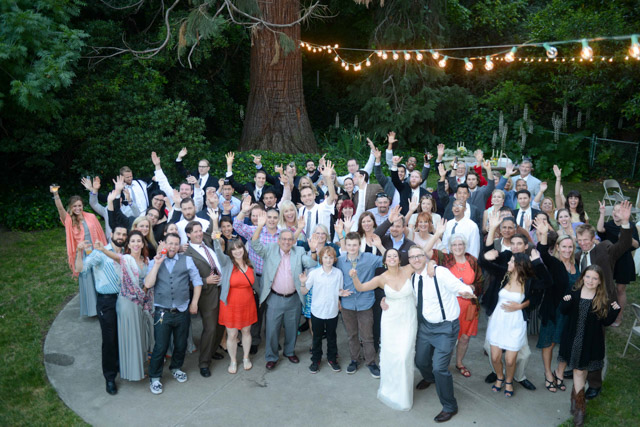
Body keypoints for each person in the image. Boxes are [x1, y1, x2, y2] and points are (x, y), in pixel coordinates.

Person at [572, 201, 632, 400]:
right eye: (579, 240)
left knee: (595, 344)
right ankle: (579, 367)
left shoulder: (605, 249)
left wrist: (625, 222)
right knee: (579, 339)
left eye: (586, 239)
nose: (583, 243)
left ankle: (595, 383)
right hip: (583, 305)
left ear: (593, 238)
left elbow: (624, 245)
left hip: (603, 305)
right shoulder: (579, 255)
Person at [410, 246, 475, 422]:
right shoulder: (413, 278)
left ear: (425, 257)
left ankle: (449, 406)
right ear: (409, 261)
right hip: (425, 327)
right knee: (420, 361)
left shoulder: (440, 272)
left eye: (419, 256)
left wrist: (466, 292)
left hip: (445, 329)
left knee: (440, 368)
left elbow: (459, 286)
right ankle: (430, 378)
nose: (416, 259)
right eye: (412, 257)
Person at [350, 248, 416, 410]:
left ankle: (404, 393)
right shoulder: (381, 278)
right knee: (391, 355)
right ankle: (391, 390)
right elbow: (361, 288)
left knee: (404, 356)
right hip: (390, 320)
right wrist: (354, 277)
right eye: (389, 256)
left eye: (395, 255)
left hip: (408, 318)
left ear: (399, 259)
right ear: (385, 261)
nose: (392, 258)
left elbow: (423, 255)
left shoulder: (408, 269)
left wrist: (436, 236)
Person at [251, 211, 318, 370]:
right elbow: (254, 244)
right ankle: (272, 357)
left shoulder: (299, 252)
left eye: (290, 239)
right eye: (284, 239)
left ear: (293, 241)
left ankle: (289, 352)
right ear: (279, 240)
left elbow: (312, 264)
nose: (287, 242)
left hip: (294, 298)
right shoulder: (270, 249)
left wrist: (314, 250)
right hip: (274, 298)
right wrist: (260, 227)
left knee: (291, 328)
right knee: (272, 330)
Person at [558, 266, 621, 426]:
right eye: (588, 277)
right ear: (583, 277)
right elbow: (564, 311)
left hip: (590, 342)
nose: (590, 281)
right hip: (572, 339)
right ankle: (579, 405)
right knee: (579, 371)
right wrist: (565, 301)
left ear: (600, 281)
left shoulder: (602, 298)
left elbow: (605, 322)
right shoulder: (573, 292)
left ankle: (577, 403)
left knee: (581, 371)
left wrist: (615, 311)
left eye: (594, 278)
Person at [484, 250, 549, 398]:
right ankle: (499, 376)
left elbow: (547, 282)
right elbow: (484, 264)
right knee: (494, 357)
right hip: (498, 321)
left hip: (515, 322)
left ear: (520, 265)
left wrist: (521, 306)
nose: (508, 263)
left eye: (512, 261)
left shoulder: (529, 281)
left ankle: (508, 381)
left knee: (510, 359)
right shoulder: (503, 275)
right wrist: (486, 257)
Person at [144, 233, 203, 395]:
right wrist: (157, 264)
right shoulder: (154, 262)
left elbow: (197, 282)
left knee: (181, 343)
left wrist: (194, 302)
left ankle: (176, 367)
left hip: (182, 310)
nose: (172, 247)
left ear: (179, 246)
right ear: (164, 245)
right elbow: (148, 284)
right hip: (162, 312)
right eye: (170, 243)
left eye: (176, 244)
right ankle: (155, 377)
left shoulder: (187, 260)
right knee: (160, 346)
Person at [423, 221, 483, 379]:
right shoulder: (445, 258)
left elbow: (480, 283)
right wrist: (437, 234)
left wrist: (472, 289)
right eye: (454, 244)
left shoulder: (472, 261)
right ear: (450, 246)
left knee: (464, 338)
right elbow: (425, 251)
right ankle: (442, 365)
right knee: (447, 339)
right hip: (449, 306)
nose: (458, 247)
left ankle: (459, 363)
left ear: (465, 245)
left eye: (461, 244)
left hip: (469, 307)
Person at [74, 226, 128, 395]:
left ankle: (121, 365)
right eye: (118, 234)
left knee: (123, 335)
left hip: (125, 299)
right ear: (111, 235)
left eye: (124, 234)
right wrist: (78, 252)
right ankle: (110, 378)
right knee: (109, 339)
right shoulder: (99, 253)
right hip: (107, 302)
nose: (121, 236)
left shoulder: (127, 252)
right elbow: (80, 269)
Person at [233, 200, 281, 354]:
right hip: (256, 278)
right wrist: (244, 211)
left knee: (273, 311)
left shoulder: (282, 235)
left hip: (275, 278)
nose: (272, 220)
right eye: (269, 217)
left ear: (278, 220)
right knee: (256, 309)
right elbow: (237, 226)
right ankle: (254, 339)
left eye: (275, 218)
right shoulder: (255, 230)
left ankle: (272, 340)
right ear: (264, 218)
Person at [51, 185, 107, 317]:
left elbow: (100, 233)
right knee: (87, 279)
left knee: (100, 278)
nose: (77, 208)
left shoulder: (91, 217)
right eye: (74, 206)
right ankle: (93, 310)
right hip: (82, 254)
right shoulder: (69, 220)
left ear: (83, 206)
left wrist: (103, 250)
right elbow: (60, 208)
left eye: (79, 206)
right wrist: (56, 194)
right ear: (70, 207)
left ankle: (103, 306)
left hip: (95, 250)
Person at [533, 220, 574, 393]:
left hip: (569, 312)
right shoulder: (554, 263)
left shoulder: (575, 264)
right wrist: (542, 235)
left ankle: (560, 372)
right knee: (549, 343)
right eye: (564, 247)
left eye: (570, 247)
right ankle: (548, 373)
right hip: (553, 310)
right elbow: (542, 252)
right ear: (557, 247)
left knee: (565, 344)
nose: (567, 250)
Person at [336, 232, 384, 377]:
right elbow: (332, 277)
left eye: (355, 245)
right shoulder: (339, 261)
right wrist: (338, 292)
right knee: (352, 335)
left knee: (367, 335)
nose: (352, 248)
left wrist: (380, 246)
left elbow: (389, 260)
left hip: (365, 302)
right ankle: (354, 360)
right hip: (347, 303)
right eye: (349, 245)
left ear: (359, 245)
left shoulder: (369, 258)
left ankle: (371, 362)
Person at [108, 231, 154, 382]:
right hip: (128, 302)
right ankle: (131, 372)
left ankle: (140, 368)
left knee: (140, 335)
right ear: (128, 244)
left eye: (138, 241)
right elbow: (116, 256)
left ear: (142, 243)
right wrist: (102, 250)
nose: (136, 244)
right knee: (131, 336)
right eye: (132, 241)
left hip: (142, 302)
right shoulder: (125, 259)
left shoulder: (145, 260)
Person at [183, 221, 225, 377]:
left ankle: (212, 351)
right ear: (188, 234)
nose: (199, 233)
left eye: (200, 231)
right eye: (195, 232)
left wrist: (215, 211)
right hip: (207, 295)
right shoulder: (186, 254)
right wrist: (205, 281)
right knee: (210, 328)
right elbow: (186, 281)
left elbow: (212, 229)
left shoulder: (206, 241)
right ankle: (204, 363)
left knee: (222, 324)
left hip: (222, 289)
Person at [300, 246, 349, 374]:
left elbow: (339, 290)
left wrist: (342, 294)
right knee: (317, 337)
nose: (328, 260)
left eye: (331, 257)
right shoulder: (315, 273)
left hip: (332, 311)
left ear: (334, 259)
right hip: (317, 311)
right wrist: (303, 283)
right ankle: (316, 360)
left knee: (332, 336)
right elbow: (304, 291)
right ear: (321, 258)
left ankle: (332, 359)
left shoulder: (338, 273)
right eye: (326, 257)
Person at [214, 235, 257, 374]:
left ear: (244, 249)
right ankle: (233, 360)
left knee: (246, 332)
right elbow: (217, 250)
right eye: (234, 249)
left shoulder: (250, 264)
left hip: (248, 303)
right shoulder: (227, 263)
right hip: (230, 305)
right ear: (230, 252)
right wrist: (215, 230)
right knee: (232, 335)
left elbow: (255, 284)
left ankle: (245, 357)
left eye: (240, 248)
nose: (237, 251)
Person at [596, 201, 639, 326]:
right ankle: (604, 312)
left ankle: (618, 317)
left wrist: (626, 236)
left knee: (620, 289)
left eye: (619, 211)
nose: (615, 213)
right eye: (614, 210)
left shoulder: (630, 226)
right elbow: (600, 229)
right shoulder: (609, 225)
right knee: (606, 287)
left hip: (624, 261)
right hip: (609, 261)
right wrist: (602, 213)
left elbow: (636, 244)